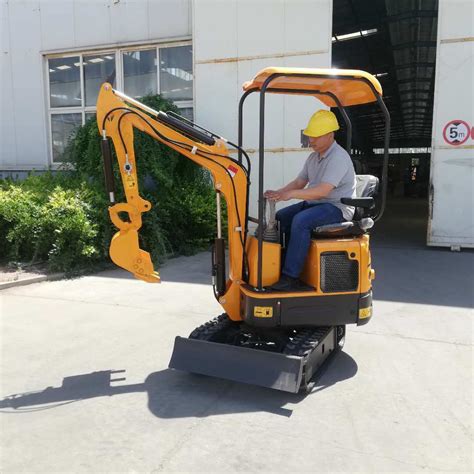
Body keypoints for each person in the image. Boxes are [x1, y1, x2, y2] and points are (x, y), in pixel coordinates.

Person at [264, 110, 356, 291]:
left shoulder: (338, 157)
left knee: (301, 221)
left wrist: (290, 195)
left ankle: (291, 277)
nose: (311, 140)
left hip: (337, 207)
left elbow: (322, 191)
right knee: (282, 217)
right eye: (310, 136)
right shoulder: (314, 157)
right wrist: (279, 192)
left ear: (330, 135)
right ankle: (283, 264)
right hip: (318, 203)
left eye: (315, 136)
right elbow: (300, 182)